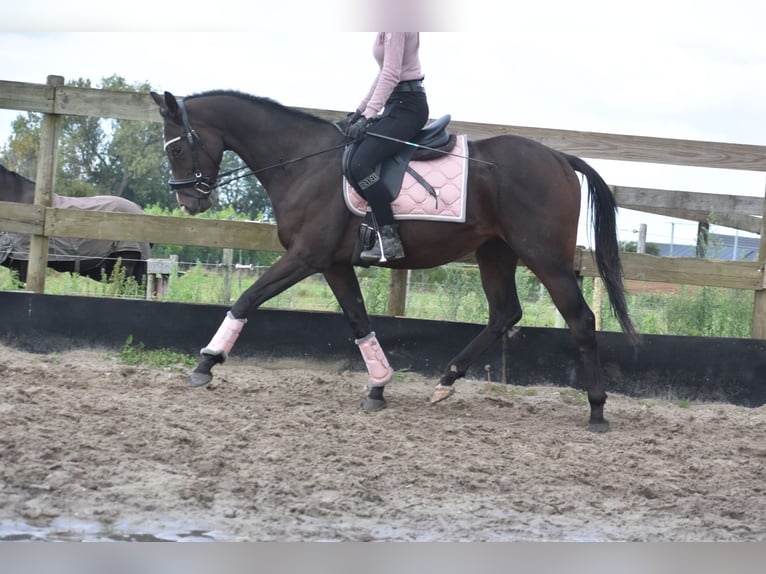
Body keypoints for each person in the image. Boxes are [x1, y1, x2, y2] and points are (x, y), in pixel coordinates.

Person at [345, 32, 429, 263]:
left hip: (408, 108)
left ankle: (388, 237)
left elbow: (392, 74)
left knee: (361, 164)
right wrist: (360, 111)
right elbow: (384, 72)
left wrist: (369, 115)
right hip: (395, 105)